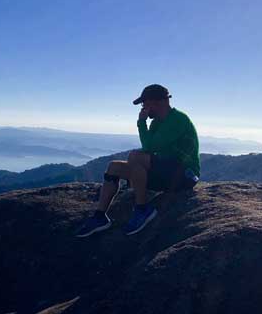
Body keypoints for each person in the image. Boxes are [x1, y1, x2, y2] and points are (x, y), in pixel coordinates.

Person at [76, 84, 200, 238]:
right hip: (167, 171)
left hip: (185, 175)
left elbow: (149, 146)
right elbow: (148, 149)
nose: (144, 108)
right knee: (113, 167)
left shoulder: (178, 120)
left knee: (136, 157)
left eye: (145, 103)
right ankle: (100, 217)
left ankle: (142, 209)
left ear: (159, 102)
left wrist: (141, 122)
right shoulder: (158, 122)